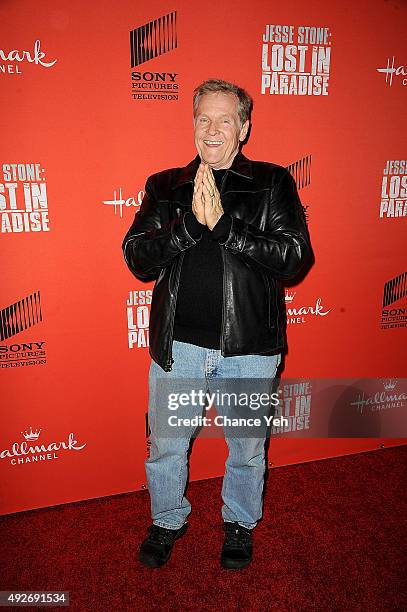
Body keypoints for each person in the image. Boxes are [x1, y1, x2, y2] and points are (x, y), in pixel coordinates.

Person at [122, 78, 312, 570]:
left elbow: (293, 258)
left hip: (248, 348)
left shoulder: (273, 183)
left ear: (244, 127)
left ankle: (240, 523)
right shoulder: (165, 185)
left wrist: (225, 226)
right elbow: (137, 257)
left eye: (225, 119)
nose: (212, 129)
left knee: (247, 449)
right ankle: (167, 519)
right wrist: (190, 226)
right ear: (192, 123)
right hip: (178, 348)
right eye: (203, 118)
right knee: (166, 446)